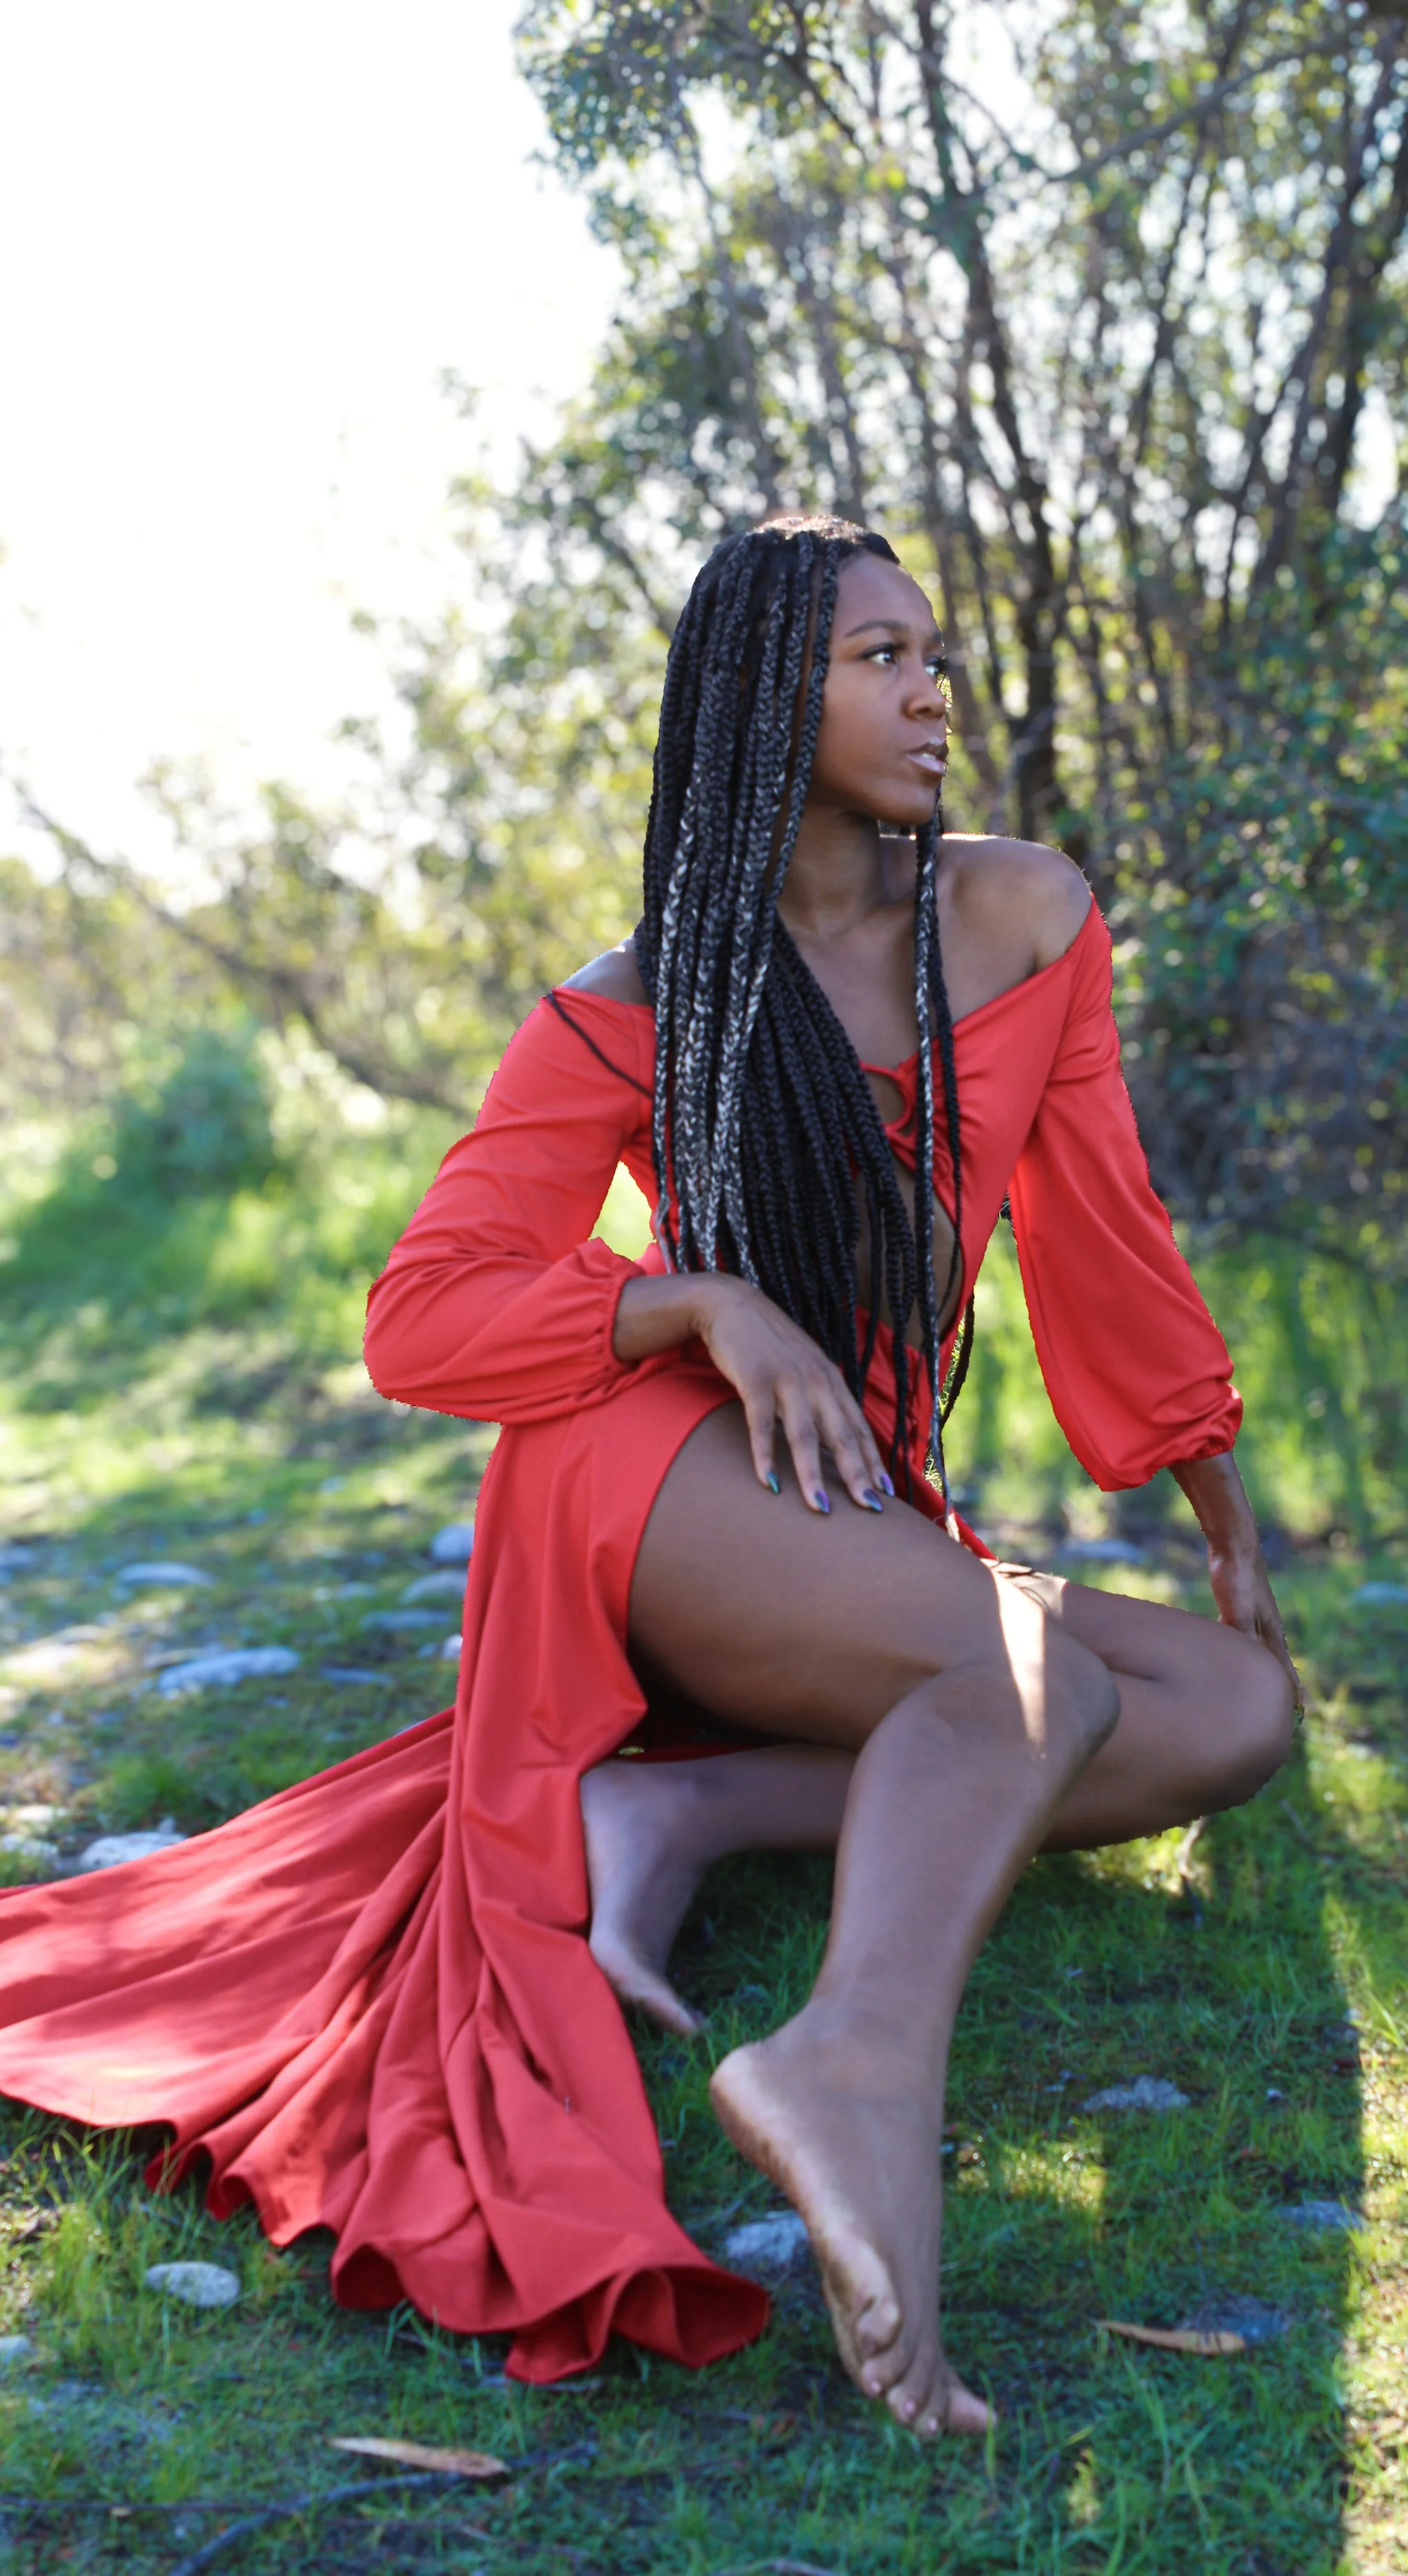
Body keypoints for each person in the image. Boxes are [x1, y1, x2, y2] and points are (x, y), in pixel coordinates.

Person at [0, 515, 1295, 2435]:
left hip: (839, 1511)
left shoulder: (1025, 917)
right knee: (1036, 1681)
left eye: (932, 654)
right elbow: (420, 1315)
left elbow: (1099, 1227)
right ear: (764, 695)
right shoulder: (636, 998)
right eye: (877, 657)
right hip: (652, 1483)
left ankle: (665, 1822)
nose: (930, 691)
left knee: (1231, 1705)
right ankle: (851, 2065)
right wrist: (687, 1303)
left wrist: (1208, 1488)